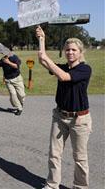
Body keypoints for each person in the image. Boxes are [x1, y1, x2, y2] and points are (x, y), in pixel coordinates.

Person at [36, 26, 92, 189]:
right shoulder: (64, 66)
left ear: (80, 52)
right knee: (54, 154)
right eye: (67, 50)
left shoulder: (84, 69)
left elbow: (63, 77)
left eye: (74, 50)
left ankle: (80, 186)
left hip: (79, 119)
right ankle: (52, 184)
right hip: (60, 116)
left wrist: (47, 58)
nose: (70, 52)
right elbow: (42, 60)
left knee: (80, 157)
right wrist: (42, 40)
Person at [0, 51, 26, 116]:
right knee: (13, 94)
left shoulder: (14, 57)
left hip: (17, 79)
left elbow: (17, 66)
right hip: (8, 80)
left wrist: (8, 62)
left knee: (21, 95)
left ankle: (20, 103)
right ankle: (19, 108)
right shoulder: (3, 59)